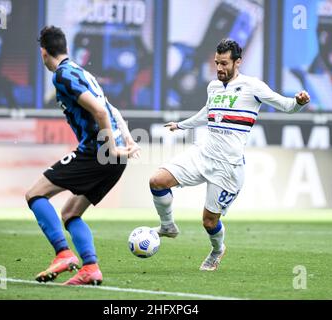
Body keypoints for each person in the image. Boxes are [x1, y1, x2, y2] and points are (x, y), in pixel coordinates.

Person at [149, 39, 310, 271]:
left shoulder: (253, 86)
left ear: (238, 62)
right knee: (157, 181)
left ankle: (217, 250)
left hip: (228, 167)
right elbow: (208, 113)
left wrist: (298, 102)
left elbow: (286, 106)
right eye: (217, 63)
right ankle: (167, 227)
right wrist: (182, 125)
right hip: (203, 154)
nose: (219, 68)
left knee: (209, 221)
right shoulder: (213, 86)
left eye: (224, 63)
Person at [26, 26, 139, 286]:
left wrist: (110, 148)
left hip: (98, 153)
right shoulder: (81, 71)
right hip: (115, 158)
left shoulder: (62, 76)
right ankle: (90, 267)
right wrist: (128, 138)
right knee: (70, 214)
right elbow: (111, 108)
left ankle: (63, 254)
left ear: (44, 52)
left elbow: (100, 112)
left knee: (35, 194)